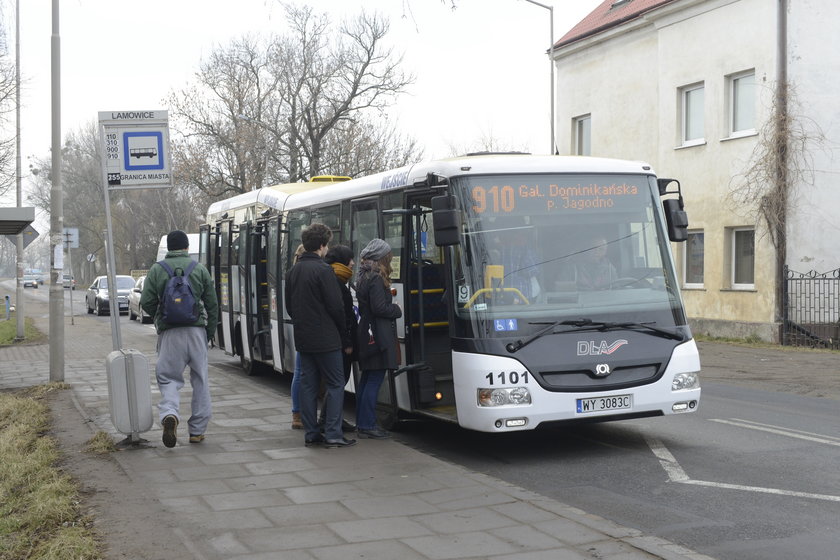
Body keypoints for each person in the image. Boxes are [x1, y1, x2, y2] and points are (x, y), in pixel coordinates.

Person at [140, 229, 219, 448]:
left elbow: (146, 301)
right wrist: (208, 332)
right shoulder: (199, 269)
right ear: (186, 248)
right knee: (200, 379)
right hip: (196, 332)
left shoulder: (157, 270)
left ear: (169, 249)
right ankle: (197, 431)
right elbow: (212, 305)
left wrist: (160, 318)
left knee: (168, 378)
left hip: (169, 333)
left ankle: (170, 414)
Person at [284, 223, 356, 448]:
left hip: (304, 338)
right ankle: (333, 433)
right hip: (327, 339)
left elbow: (289, 306)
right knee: (335, 384)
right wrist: (344, 337)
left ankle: (312, 434)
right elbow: (336, 307)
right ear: (322, 246)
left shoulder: (293, 271)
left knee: (308, 384)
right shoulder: (324, 271)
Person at [354, 238, 402, 439]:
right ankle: (367, 425)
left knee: (367, 379)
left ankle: (363, 422)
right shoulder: (374, 278)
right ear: (382, 257)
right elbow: (379, 308)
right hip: (377, 334)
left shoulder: (363, 275)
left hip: (367, 332)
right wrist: (396, 309)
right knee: (373, 380)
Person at [323, 245, 358, 432]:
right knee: (338, 381)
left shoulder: (338, 279)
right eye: (350, 259)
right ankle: (331, 423)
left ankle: (328, 419)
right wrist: (347, 342)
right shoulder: (336, 281)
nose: (353, 263)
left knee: (337, 382)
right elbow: (341, 315)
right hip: (340, 342)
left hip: (337, 340)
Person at [289, 244, 305, 430]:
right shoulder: (318, 271)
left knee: (299, 372)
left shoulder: (292, 273)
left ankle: (297, 414)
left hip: (300, 327)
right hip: (313, 331)